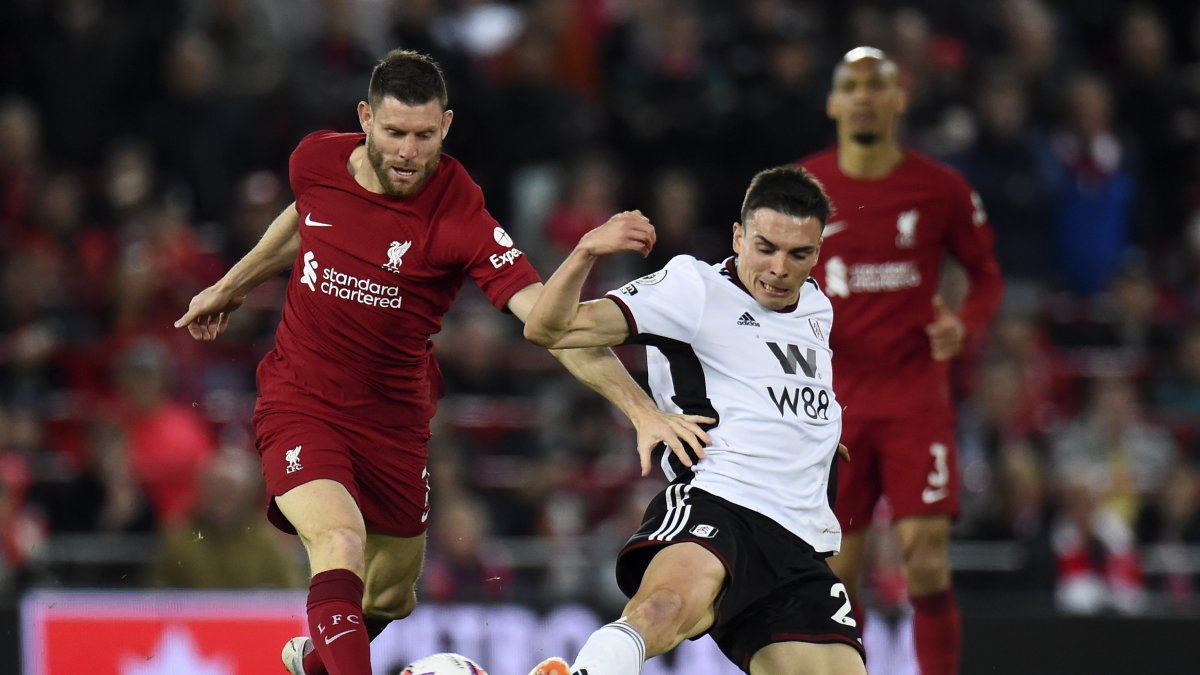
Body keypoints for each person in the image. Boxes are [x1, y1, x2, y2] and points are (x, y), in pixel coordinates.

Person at [174, 49, 707, 675]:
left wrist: (639, 408)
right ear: (365, 119)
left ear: (446, 126)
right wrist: (233, 285)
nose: (408, 151)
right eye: (395, 133)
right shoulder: (315, 159)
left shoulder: (459, 215)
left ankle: (316, 665)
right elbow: (305, 219)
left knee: (392, 595)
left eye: (424, 136)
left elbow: (550, 323)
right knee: (338, 542)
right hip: (302, 400)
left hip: (395, 422)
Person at [524, 166, 866, 675]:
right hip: (723, 502)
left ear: (817, 252)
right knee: (664, 610)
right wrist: (587, 252)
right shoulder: (694, 287)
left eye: (799, 254)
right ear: (738, 236)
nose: (779, 268)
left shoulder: (817, 305)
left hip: (799, 541)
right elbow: (549, 328)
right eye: (765, 247)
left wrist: (812, 437)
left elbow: (780, 386)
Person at [797, 47, 1003, 675]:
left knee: (926, 556)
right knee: (840, 572)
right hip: (837, 402)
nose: (863, 96)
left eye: (876, 85)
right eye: (850, 85)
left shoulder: (940, 188)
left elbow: (986, 274)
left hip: (916, 396)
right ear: (833, 102)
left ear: (898, 100)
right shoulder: (803, 187)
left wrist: (963, 327)